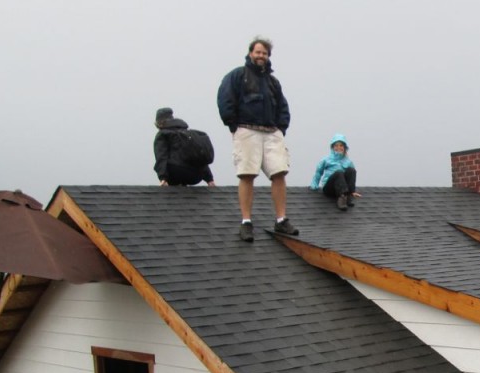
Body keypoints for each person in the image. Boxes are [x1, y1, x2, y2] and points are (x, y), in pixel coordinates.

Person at [216, 36, 298, 241]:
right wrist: (233, 125)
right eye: (258, 52)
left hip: (271, 131)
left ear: (268, 56)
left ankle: (281, 220)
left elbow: (283, 106)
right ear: (250, 53)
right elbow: (225, 99)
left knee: (279, 172)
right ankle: (246, 221)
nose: (261, 56)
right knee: (247, 174)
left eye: (264, 53)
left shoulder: (272, 82)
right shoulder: (238, 75)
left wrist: (281, 128)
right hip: (247, 129)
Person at [152, 108, 216, 187]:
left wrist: (163, 178)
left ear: (159, 122)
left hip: (176, 174)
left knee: (170, 164)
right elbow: (198, 157)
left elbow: (161, 157)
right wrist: (209, 179)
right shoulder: (188, 134)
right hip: (196, 176)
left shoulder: (162, 134)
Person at [310, 134, 360, 211]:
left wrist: (353, 191)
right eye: (336, 146)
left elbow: (351, 177)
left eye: (341, 145)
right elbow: (319, 171)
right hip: (329, 188)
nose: (338, 148)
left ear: (344, 148)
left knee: (351, 170)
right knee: (339, 173)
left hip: (343, 188)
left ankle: (348, 195)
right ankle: (342, 199)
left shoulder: (348, 161)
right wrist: (314, 184)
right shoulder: (327, 159)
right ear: (332, 147)